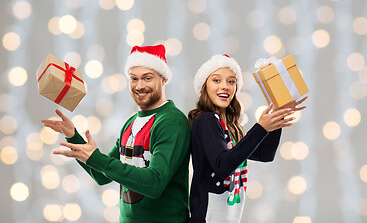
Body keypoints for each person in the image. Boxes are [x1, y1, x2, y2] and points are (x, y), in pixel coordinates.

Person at [41, 44, 191, 223]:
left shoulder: (171, 122)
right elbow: (102, 175)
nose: (139, 85)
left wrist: (96, 158)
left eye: (147, 78)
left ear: (163, 79)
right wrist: (73, 136)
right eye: (133, 78)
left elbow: (154, 183)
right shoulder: (131, 123)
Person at [187, 54, 307, 223]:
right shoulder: (207, 120)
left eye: (231, 81)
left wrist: (275, 117)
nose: (225, 87)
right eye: (216, 80)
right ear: (204, 86)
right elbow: (222, 167)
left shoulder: (226, 125)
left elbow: (265, 155)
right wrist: (260, 128)